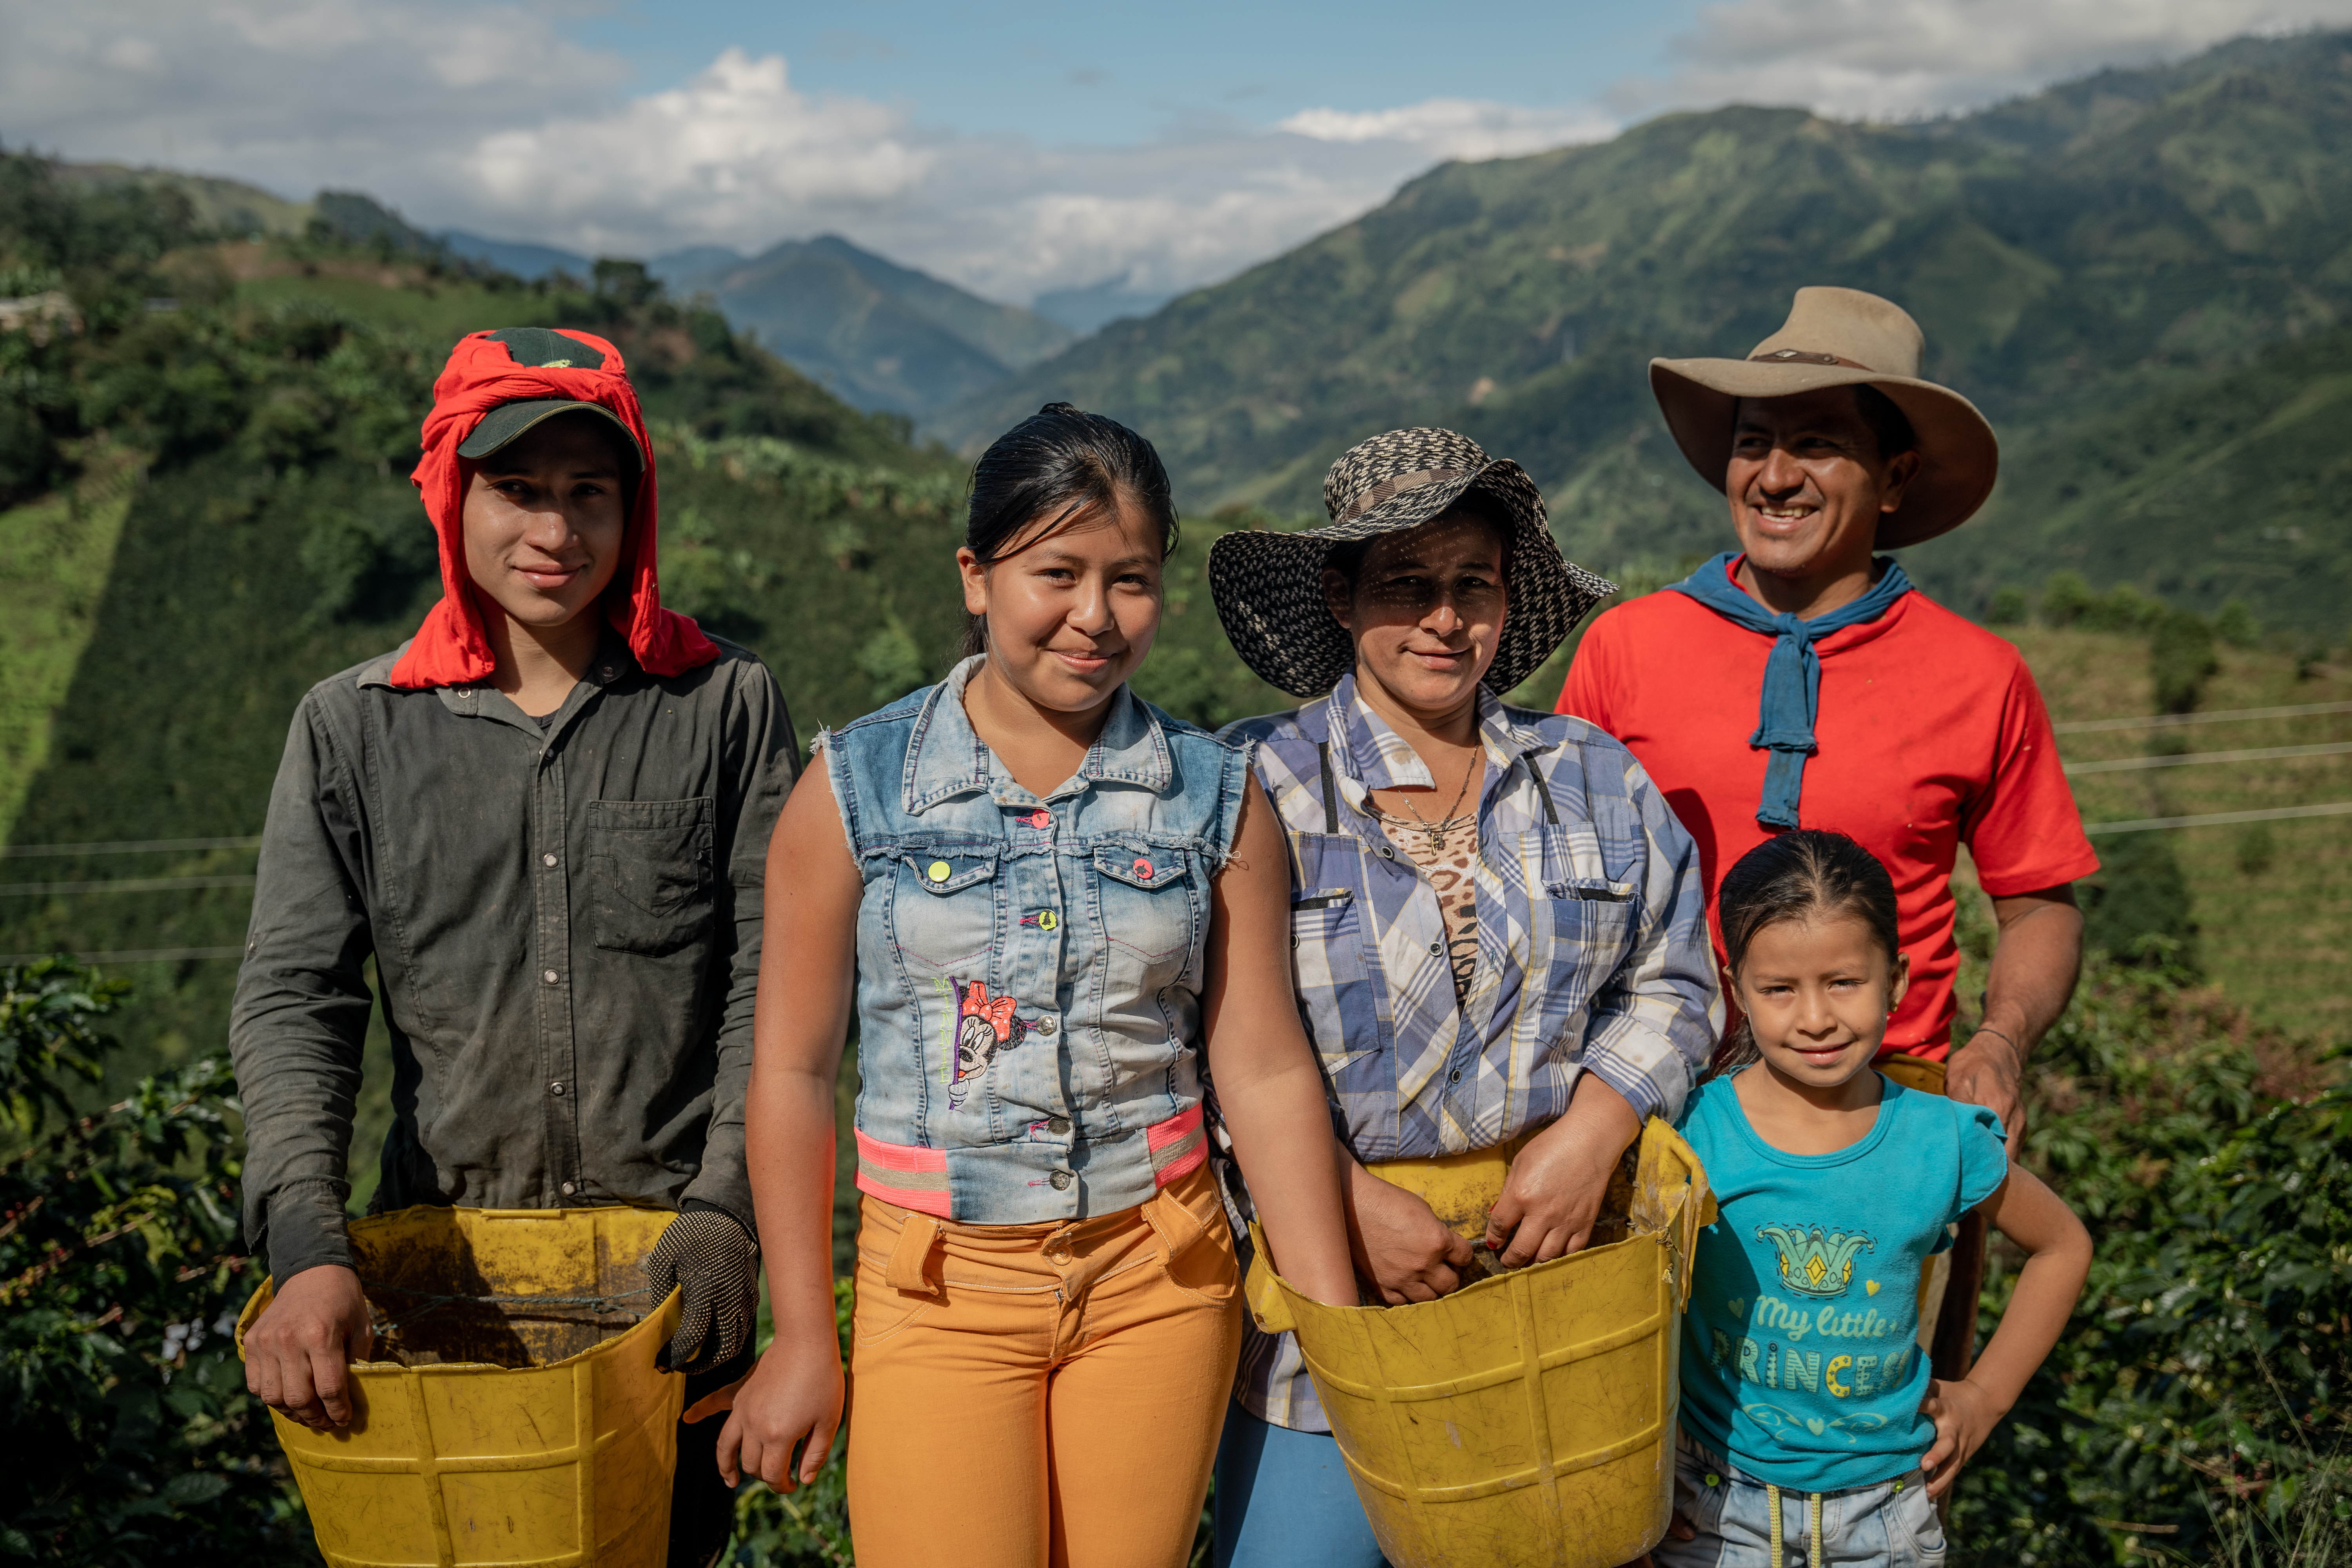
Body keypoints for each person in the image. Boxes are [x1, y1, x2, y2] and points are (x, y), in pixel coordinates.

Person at [709, 403, 1358, 1568]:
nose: (1096, 619)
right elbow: (796, 1073)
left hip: (1161, 1269)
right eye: (1055, 572)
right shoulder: (856, 790)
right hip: (939, 1284)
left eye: (1133, 580)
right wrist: (802, 1334)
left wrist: (1335, 1326)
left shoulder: (1216, 797)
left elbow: (1259, 1064)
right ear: (977, 575)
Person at [230, 327, 795, 1568]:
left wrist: (725, 1210)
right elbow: (295, 1000)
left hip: (666, 1291)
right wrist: (310, 1248)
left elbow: (782, 984)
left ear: (634, 508)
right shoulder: (352, 730)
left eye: (590, 493)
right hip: (442, 1286)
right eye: (518, 490)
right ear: (451, 493)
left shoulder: (722, 709)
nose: (556, 531)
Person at [1557, 287, 2098, 1379]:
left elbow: (2038, 901)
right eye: (1755, 443)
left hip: (1886, 1120)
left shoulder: (1979, 674)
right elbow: (1561, 888)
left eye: (1819, 444)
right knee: (1645, 1451)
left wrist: (1998, 1041)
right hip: (1666, 1110)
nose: (1776, 475)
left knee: (1872, 1433)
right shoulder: (1625, 650)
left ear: (1894, 478)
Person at [1205, 427, 1722, 1568]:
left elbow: (1678, 981)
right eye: (1407, 585)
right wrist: (1335, 1202)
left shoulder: (1593, 776)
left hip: (1563, 1288)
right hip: (1332, 1306)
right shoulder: (1251, 789)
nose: (1446, 618)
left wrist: (1595, 1132)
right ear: (1341, 598)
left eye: (1472, 586)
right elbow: (1184, 1046)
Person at [1655, 829, 2091, 1567]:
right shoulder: (1693, 1132)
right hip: (1712, 1505)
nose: (1817, 1018)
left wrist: (1984, 1398)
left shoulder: (1943, 1139)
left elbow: (2063, 1246)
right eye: (1780, 990)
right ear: (1736, 992)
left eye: (1844, 983)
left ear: (1897, 980)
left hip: (1886, 1516)